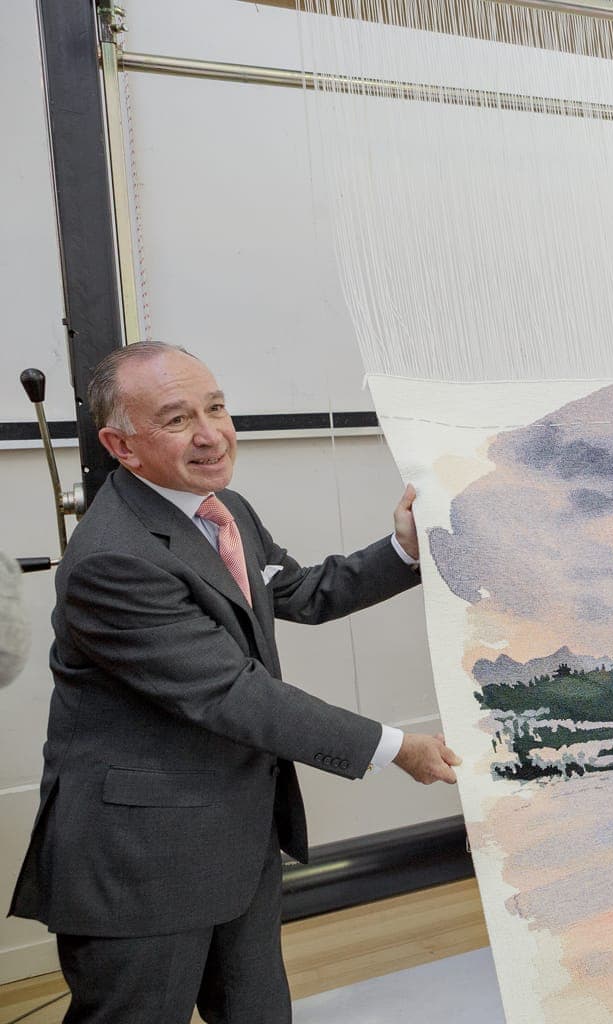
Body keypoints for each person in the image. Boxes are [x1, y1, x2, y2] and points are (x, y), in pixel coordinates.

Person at [8, 342, 462, 1021]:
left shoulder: (222, 509)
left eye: (215, 406)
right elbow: (233, 693)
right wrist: (396, 747)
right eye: (176, 419)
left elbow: (301, 591)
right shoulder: (112, 560)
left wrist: (403, 551)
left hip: (236, 834)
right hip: (143, 861)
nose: (211, 433)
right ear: (121, 445)